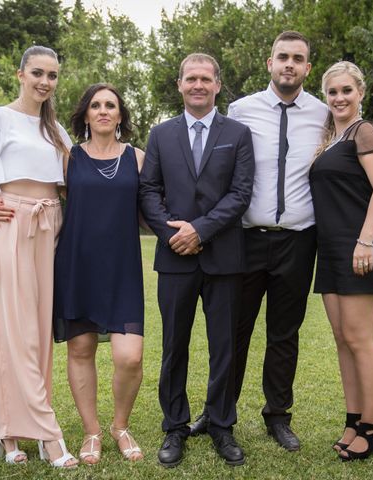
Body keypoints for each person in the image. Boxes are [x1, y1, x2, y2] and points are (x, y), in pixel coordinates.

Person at [189, 31, 327, 453]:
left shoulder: (323, 115)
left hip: (299, 240)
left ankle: (278, 416)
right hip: (245, 238)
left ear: (307, 68)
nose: (289, 64)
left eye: (298, 58)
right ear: (270, 63)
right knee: (234, 331)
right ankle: (218, 412)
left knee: (284, 333)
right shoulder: (240, 110)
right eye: (282, 56)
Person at [139, 53, 255, 467]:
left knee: (224, 346)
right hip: (174, 259)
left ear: (218, 85)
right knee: (174, 346)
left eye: (206, 79)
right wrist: (175, 235)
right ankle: (175, 426)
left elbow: (241, 195)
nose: (198, 85)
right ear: (180, 84)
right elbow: (148, 190)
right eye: (191, 78)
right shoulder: (161, 134)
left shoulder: (238, 134)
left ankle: (221, 424)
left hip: (224, 258)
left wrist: (200, 230)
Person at [0, 45, 78, 469]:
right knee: (14, 333)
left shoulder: (55, 131)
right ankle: (47, 436)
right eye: (37, 73)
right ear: (20, 74)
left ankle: (9, 430)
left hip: (50, 231)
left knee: (38, 336)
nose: (44, 82)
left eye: (52, 75)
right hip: (11, 228)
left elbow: (79, 174)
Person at [53, 84, 145, 465]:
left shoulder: (139, 158)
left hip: (123, 268)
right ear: (86, 115)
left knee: (130, 357)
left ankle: (120, 426)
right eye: (96, 105)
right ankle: (92, 430)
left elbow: (155, 205)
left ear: (120, 115)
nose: (103, 111)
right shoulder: (67, 158)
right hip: (78, 264)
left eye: (111, 105)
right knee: (81, 348)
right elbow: (42, 199)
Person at [309, 60, 373, 461]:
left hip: (360, 246)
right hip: (331, 249)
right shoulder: (331, 138)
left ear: (360, 93)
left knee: (360, 339)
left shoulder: (365, 132)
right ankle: (354, 419)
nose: (339, 98)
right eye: (332, 92)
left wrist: (365, 241)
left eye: (346, 90)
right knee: (342, 339)